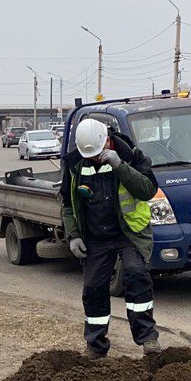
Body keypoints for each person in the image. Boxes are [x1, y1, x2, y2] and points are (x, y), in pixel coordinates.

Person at [59, 118, 162, 359]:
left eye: (97, 153)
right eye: (90, 155)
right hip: (96, 238)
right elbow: (66, 204)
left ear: (107, 140)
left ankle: (148, 339)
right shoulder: (75, 164)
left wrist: (120, 166)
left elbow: (147, 190)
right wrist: (73, 235)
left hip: (128, 234)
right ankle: (95, 346)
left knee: (136, 275)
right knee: (93, 288)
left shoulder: (130, 155)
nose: (94, 159)